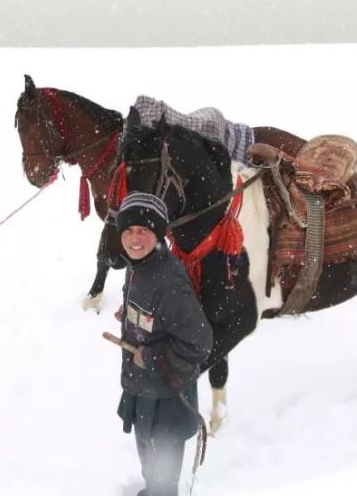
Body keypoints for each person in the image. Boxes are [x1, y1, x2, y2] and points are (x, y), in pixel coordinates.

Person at [114, 192, 212, 496]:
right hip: (143, 387)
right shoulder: (138, 266)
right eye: (129, 230)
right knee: (149, 460)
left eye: (143, 230)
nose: (134, 238)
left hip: (167, 395)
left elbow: (199, 343)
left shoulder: (169, 282)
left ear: (158, 234)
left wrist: (151, 357)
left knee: (162, 474)